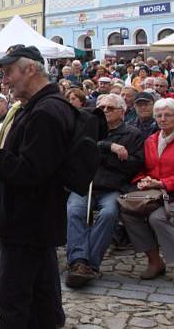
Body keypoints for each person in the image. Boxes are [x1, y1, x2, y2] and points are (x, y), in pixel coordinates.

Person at [0, 45, 74, 327]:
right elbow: (27, 165)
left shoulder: (47, 112)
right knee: (43, 297)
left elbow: (31, 171)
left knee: (13, 300)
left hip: (28, 221)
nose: (4, 80)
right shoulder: (37, 108)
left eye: (8, 72)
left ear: (30, 69)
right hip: (31, 217)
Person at [120, 98, 174, 290]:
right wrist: (142, 180)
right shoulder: (151, 140)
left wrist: (163, 183)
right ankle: (154, 260)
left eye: (168, 115)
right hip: (154, 193)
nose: (162, 119)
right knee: (127, 211)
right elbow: (144, 169)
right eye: (159, 115)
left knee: (158, 218)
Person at [65, 93, 145, 288]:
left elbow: (133, 164)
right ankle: (78, 260)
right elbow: (77, 151)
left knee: (108, 214)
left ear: (122, 111)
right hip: (86, 184)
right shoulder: (89, 128)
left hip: (112, 187)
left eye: (110, 108)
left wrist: (102, 156)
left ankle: (89, 263)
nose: (105, 112)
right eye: (102, 108)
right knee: (74, 211)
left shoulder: (132, 134)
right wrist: (109, 147)